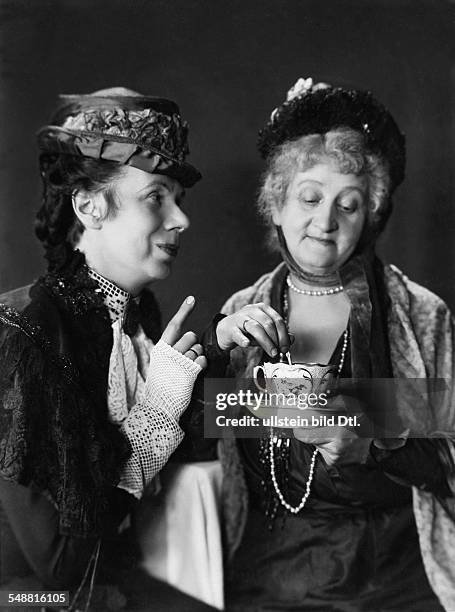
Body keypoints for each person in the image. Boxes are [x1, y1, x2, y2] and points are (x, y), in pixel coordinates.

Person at [203, 78, 455, 611]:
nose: (326, 221)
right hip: (271, 576)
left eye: (350, 205)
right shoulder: (240, 312)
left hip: (396, 580)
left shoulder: (422, 314)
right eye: (310, 197)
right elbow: (195, 443)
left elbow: (450, 457)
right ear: (276, 205)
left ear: (370, 216)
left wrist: (376, 441)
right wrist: (216, 351)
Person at [0, 88, 214, 610]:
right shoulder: (26, 331)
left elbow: (186, 454)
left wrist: (227, 357)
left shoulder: (139, 318)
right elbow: (61, 564)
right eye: (155, 197)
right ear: (90, 206)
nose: (181, 220)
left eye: (177, 201)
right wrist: (159, 410)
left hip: (119, 582)